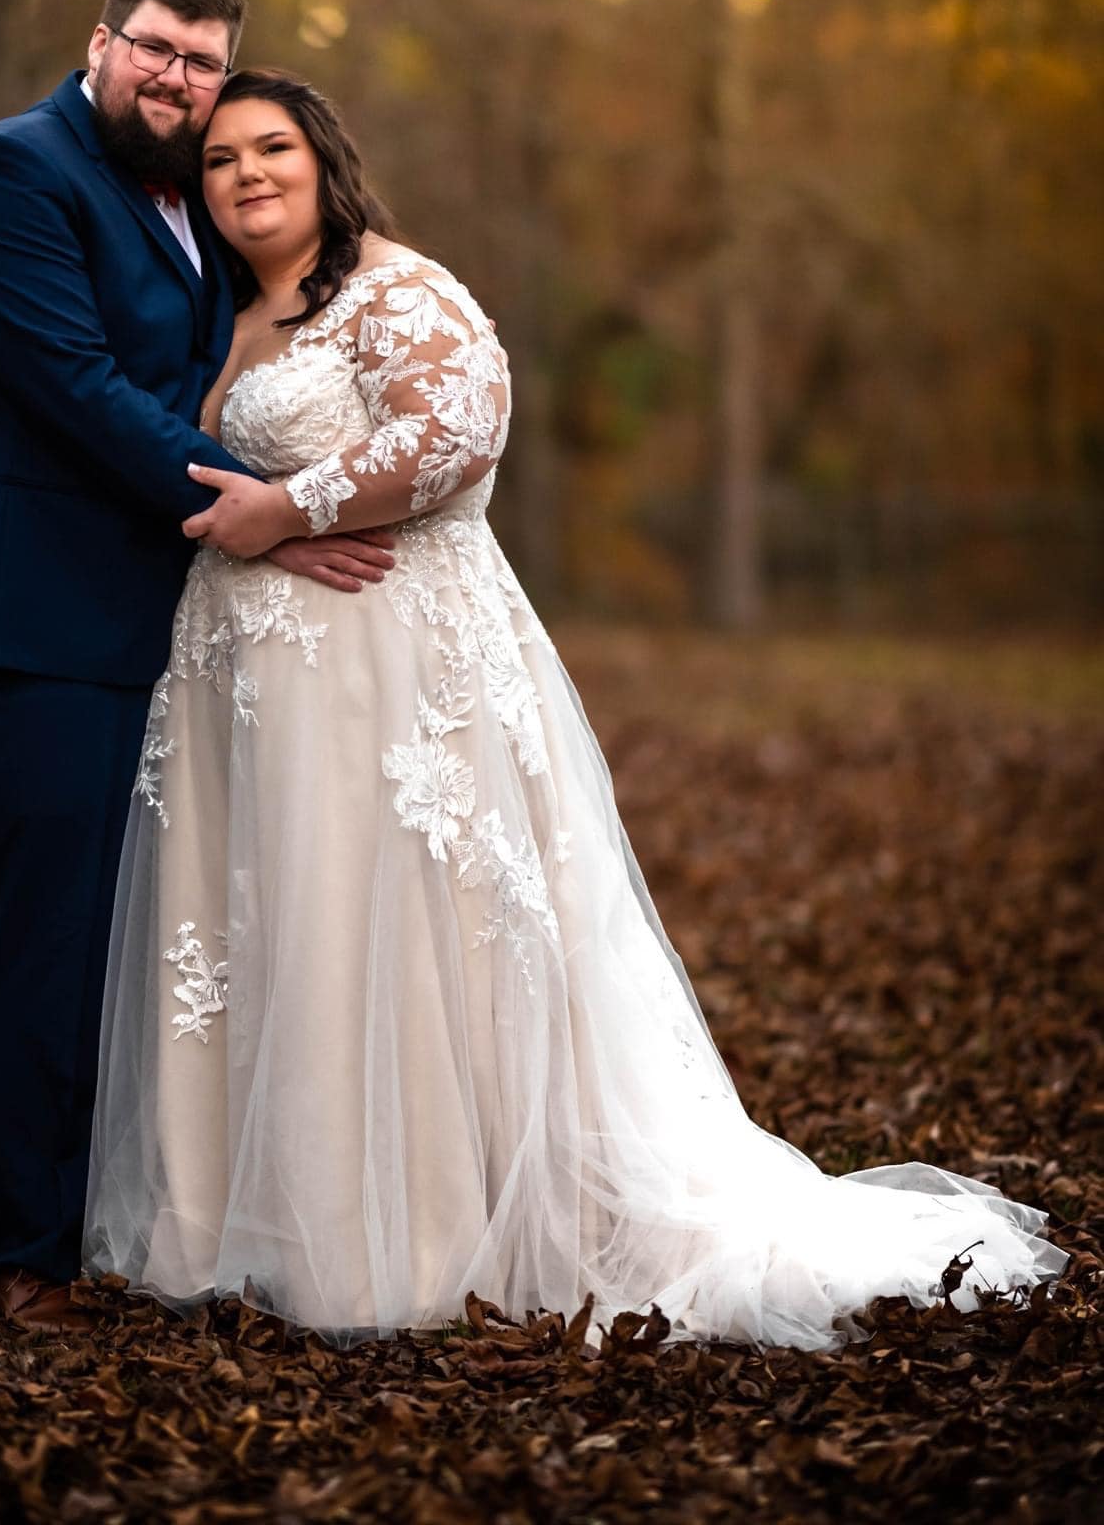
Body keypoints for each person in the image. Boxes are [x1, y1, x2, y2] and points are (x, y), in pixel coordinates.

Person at [83, 69, 1064, 1349]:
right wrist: (258, 530)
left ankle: (415, 1231)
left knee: (386, 924)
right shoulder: (231, 310)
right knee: (285, 920)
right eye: (219, 159)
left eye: (273, 147)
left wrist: (290, 508)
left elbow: (459, 434)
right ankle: (263, 1213)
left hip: (392, 679)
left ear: (324, 161)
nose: (247, 173)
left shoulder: (395, 286)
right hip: (256, 691)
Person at [0, 0, 394, 1335]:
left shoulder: (171, 198)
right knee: (43, 937)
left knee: (141, 937)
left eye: (201, 64)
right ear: (100, 43)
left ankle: (128, 1208)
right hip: (29, 620)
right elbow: (77, 391)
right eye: (156, 52)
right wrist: (265, 518)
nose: (175, 80)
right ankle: (28, 1259)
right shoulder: (17, 174)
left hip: (148, 618)